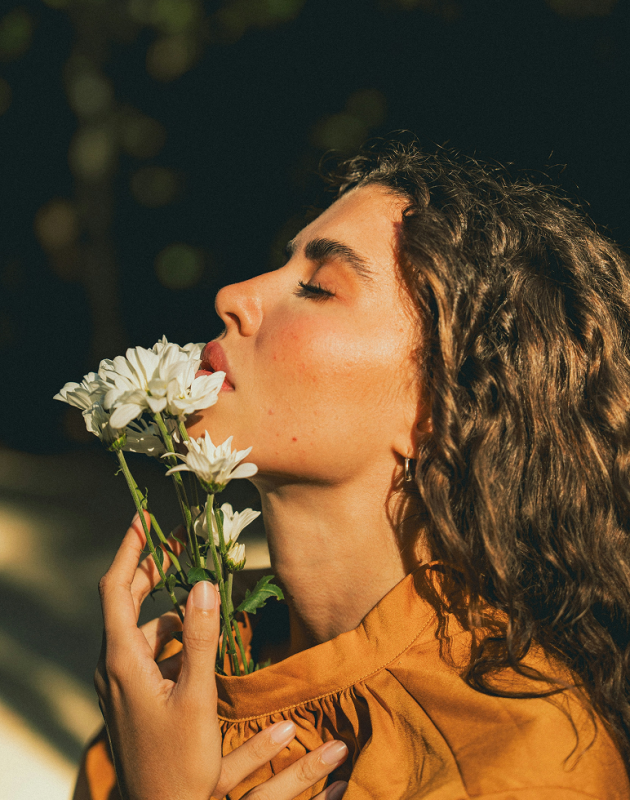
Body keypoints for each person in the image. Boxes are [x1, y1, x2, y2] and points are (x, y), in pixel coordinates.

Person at [75, 141, 630, 799]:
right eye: (282, 267)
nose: (233, 296)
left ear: (446, 409)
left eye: (318, 287)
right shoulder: (169, 689)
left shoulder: (528, 766)